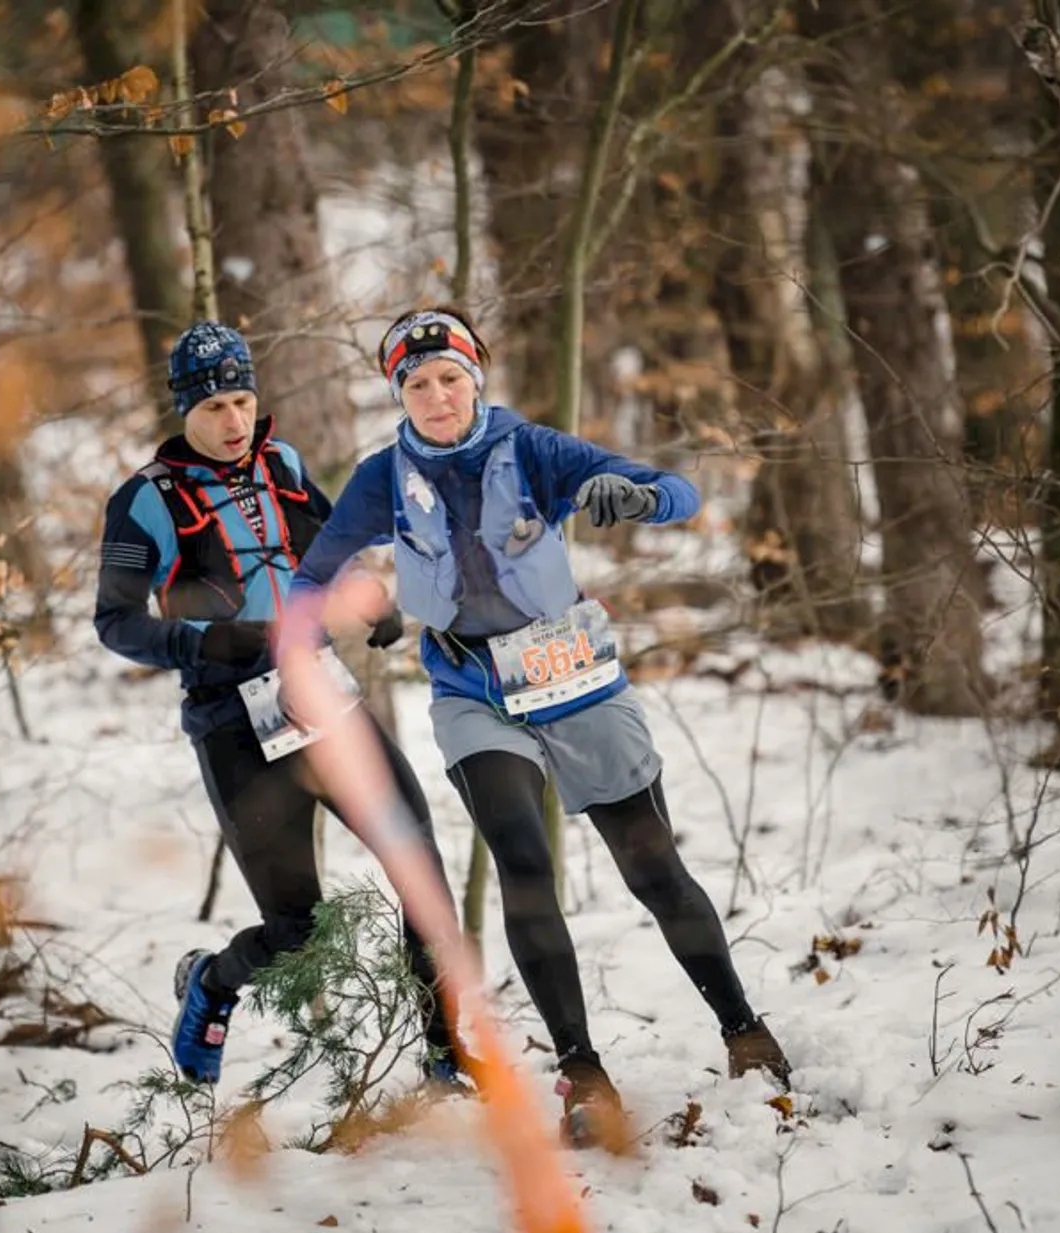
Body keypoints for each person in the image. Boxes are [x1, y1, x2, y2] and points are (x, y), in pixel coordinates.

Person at [287, 305, 791, 1146]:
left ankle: (745, 1031)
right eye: (418, 384)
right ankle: (583, 1076)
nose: (437, 397)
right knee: (523, 863)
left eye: (450, 378)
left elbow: (682, 494)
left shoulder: (534, 450)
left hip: (573, 675)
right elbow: (312, 576)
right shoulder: (383, 479)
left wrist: (637, 495)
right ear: (399, 395)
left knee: (653, 867)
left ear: (475, 378)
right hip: (472, 690)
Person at [94, 320, 467, 1093]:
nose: (234, 421)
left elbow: (327, 549)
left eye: (242, 401)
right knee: (298, 933)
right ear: (184, 410)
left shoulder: (283, 465)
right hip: (234, 723)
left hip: (321, 697)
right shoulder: (146, 500)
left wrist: (365, 594)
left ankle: (446, 1057)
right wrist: (207, 642)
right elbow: (116, 622)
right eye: (213, 408)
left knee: (420, 867)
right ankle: (211, 983)